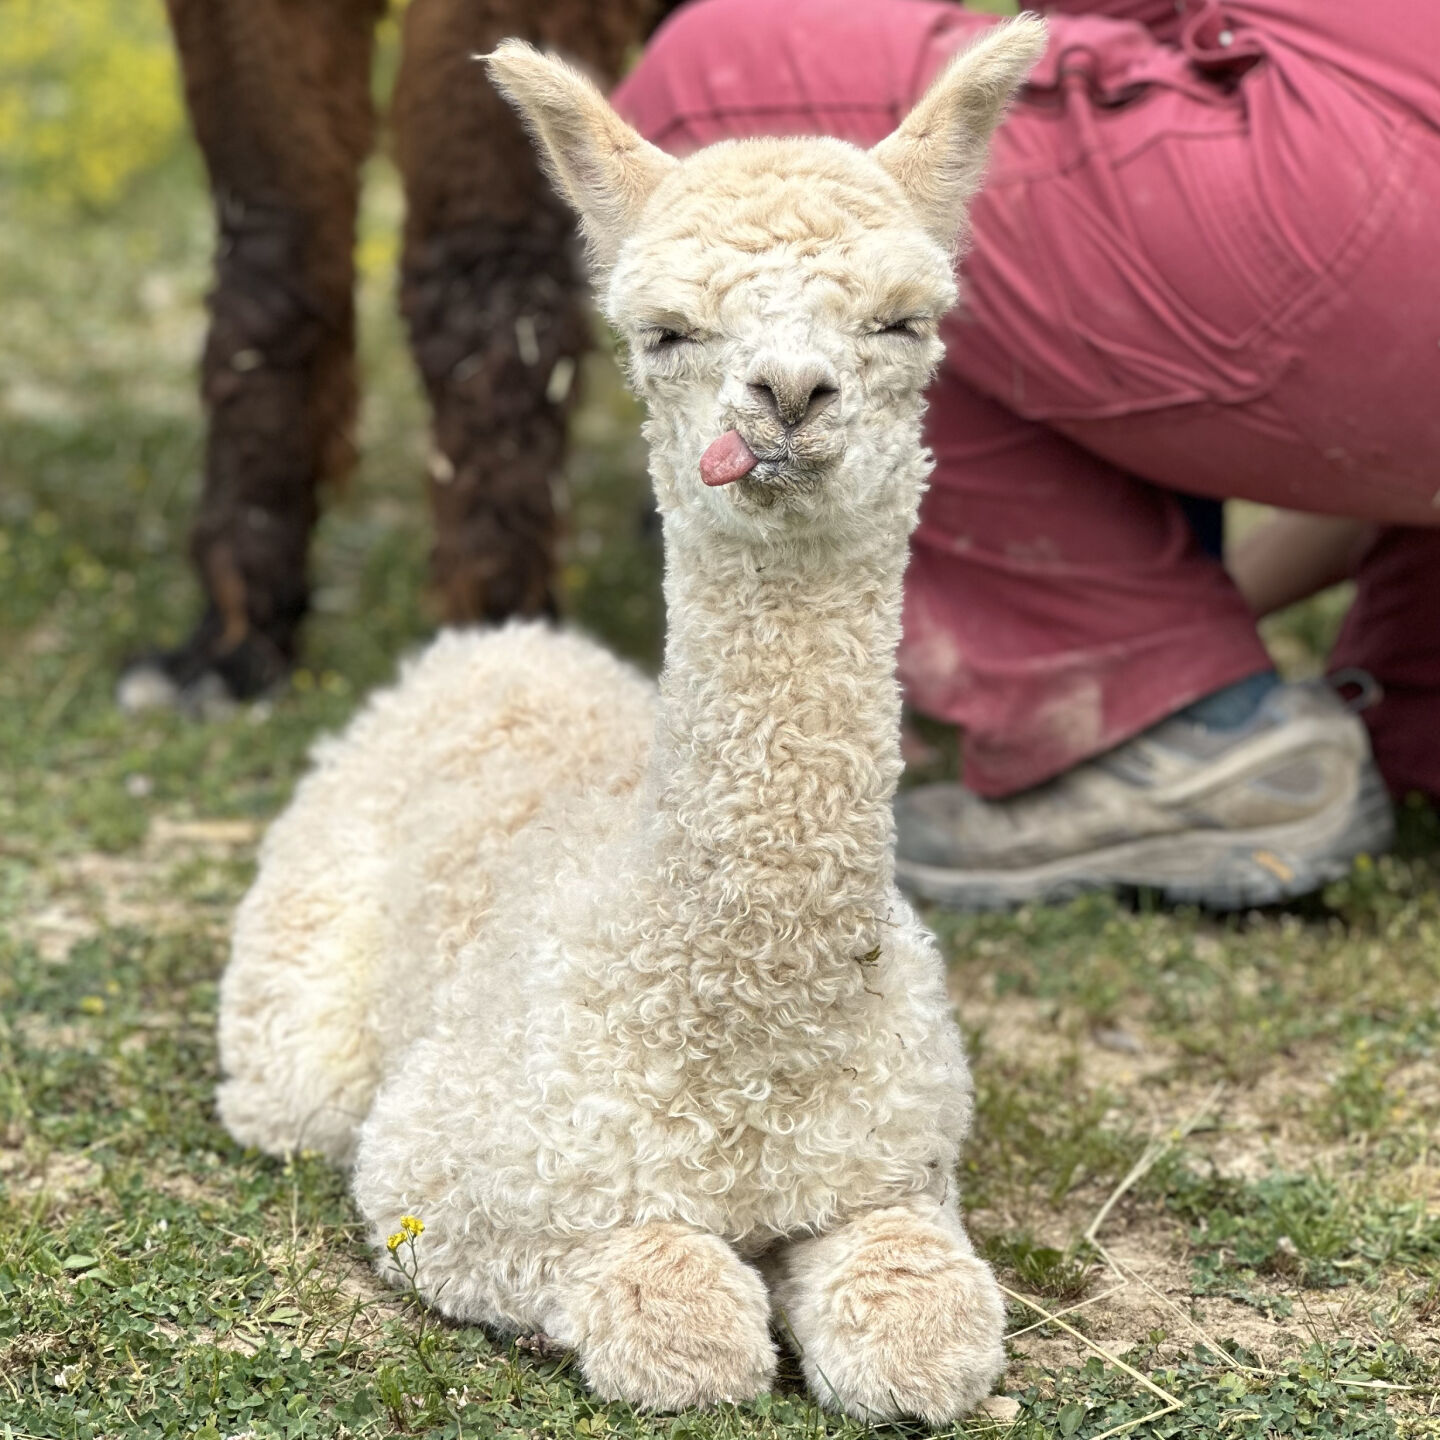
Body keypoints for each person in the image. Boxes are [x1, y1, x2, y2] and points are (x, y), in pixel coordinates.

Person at [614, 0, 1440, 908]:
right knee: (1406, 718)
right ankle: (1242, 698)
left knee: (729, 72)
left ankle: (1161, 735)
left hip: (1386, 186)